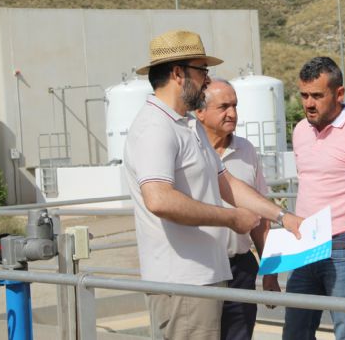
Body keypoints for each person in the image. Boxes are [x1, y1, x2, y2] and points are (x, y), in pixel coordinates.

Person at [123, 29, 302, 340]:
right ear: (178, 73)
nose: (207, 80)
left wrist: (282, 216)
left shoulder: (187, 125)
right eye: (202, 70)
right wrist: (231, 218)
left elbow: (227, 183)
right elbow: (159, 199)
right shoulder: (155, 127)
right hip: (183, 282)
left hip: (205, 277)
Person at [283, 57, 345, 340]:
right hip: (304, 246)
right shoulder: (300, 130)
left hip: (344, 248)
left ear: (339, 93)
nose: (309, 103)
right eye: (304, 95)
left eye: (317, 96)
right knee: (295, 333)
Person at [195, 79, 281, 340]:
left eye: (234, 106)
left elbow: (261, 218)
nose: (232, 113)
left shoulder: (246, 150)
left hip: (240, 269)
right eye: (223, 107)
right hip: (201, 268)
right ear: (200, 111)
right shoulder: (188, 149)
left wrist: (269, 271)